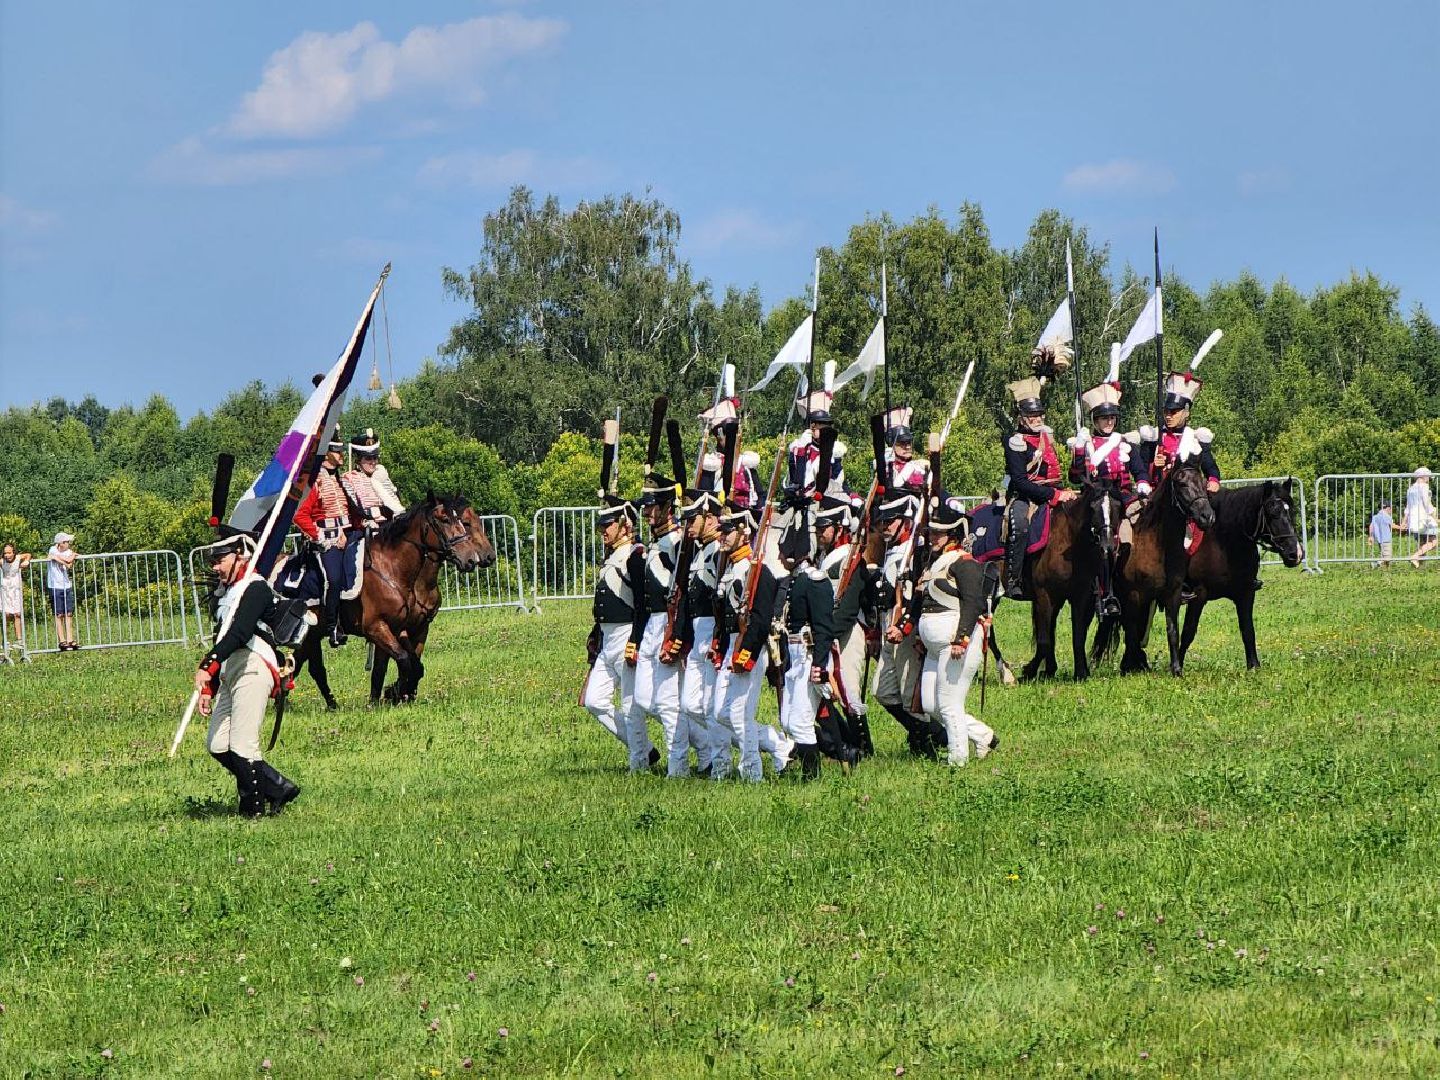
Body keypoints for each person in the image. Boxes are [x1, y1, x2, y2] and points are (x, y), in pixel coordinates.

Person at [194, 527, 301, 817]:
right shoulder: (225, 595)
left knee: (243, 745)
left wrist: (207, 664)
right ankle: (278, 788)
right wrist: (210, 687)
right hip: (231, 669)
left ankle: (252, 811)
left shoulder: (256, 588)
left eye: (220, 560)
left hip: (254, 666)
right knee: (217, 744)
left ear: (240, 556)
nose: (215, 567)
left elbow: (240, 632)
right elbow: (223, 639)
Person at [912, 500, 1000, 766]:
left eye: (940, 533)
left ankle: (957, 761)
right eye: (932, 532)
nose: (933, 537)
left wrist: (961, 639)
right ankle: (983, 735)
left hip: (955, 643)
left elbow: (973, 603)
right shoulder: (937, 562)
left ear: (954, 535)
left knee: (949, 705)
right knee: (930, 704)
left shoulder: (965, 563)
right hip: (933, 646)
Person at [710, 502, 791, 781]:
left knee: (740, 714)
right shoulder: (733, 569)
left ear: (744, 533)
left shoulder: (757, 572)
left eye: (728, 531)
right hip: (733, 644)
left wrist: (747, 653)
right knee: (719, 712)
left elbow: (761, 617)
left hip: (749, 648)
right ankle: (775, 742)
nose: (722, 535)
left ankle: (751, 773)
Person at [774, 507, 856, 779]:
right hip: (796, 654)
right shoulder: (795, 580)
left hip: (810, 655)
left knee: (799, 721)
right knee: (787, 719)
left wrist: (820, 665)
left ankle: (812, 775)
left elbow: (824, 628)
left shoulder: (814, 581)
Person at [581, 495, 654, 768]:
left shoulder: (634, 557)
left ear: (625, 525)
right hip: (607, 637)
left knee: (632, 704)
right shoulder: (612, 556)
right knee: (595, 701)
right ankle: (645, 748)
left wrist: (635, 639)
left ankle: (639, 762)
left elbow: (641, 605)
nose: (603, 530)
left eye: (608, 524)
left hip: (626, 634)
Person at [872, 492, 947, 756]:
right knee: (882, 692)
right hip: (887, 629)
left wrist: (904, 626)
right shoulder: (891, 552)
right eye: (882, 522)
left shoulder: (914, 552)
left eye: (890, 521)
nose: (884, 527)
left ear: (906, 522)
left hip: (904, 631)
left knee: (909, 695)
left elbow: (913, 596)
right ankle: (933, 735)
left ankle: (928, 744)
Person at [625, 473, 690, 777]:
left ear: (667, 508)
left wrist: (676, 633)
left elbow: (682, 591)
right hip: (652, 622)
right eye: (646, 508)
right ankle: (702, 746)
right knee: (643, 700)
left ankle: (678, 768)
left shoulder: (676, 543)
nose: (647, 512)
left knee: (667, 704)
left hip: (668, 622)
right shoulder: (656, 543)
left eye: (652, 507)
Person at [1068, 375, 1145, 616]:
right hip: (1095, 500)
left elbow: (1139, 470)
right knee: (1104, 541)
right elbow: (1074, 476)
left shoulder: (1125, 444)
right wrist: (1079, 452)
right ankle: (1105, 590)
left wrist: (1142, 482)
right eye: (1104, 417)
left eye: (1112, 417)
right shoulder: (1086, 443)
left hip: (1122, 498)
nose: (1109, 422)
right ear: (1095, 419)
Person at [1002, 378, 1076, 600]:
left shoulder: (1047, 437)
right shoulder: (1015, 441)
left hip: (1055, 490)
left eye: (1039, 415)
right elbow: (1022, 482)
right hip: (1025, 495)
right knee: (1021, 525)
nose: (1037, 419)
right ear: (1021, 418)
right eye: (1031, 415)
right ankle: (1014, 578)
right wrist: (1054, 495)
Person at [675, 479, 729, 776]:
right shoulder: (700, 551)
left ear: (710, 518)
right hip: (698, 632)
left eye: (691, 519)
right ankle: (754, 742)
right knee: (691, 704)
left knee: (709, 706)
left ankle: (720, 766)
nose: (687, 526)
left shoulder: (717, 552)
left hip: (711, 630)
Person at [816, 494, 874, 756]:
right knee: (828, 689)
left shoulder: (850, 561)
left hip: (847, 632)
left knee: (848, 689)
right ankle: (845, 744)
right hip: (829, 632)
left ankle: (862, 747)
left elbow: (849, 608)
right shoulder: (825, 558)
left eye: (824, 527)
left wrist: (827, 635)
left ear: (839, 528)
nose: (819, 532)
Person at [293, 433, 353, 646]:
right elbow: (300, 516)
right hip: (324, 541)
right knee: (333, 580)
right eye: (337, 450)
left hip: (345, 536)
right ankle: (332, 626)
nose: (342, 454)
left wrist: (346, 532)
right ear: (327, 453)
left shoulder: (338, 479)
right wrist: (321, 538)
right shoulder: (315, 481)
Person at [341, 429, 405, 527]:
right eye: (368, 458)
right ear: (358, 460)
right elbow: (354, 510)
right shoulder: (349, 478)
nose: (373, 462)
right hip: (364, 529)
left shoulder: (382, 476)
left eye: (375, 457)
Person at [46, 532, 79, 651]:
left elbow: (69, 561)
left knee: (69, 613)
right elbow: (67, 560)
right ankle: (62, 640)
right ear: (60, 543)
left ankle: (70, 639)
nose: (68, 544)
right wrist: (67, 560)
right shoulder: (52, 549)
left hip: (66, 585)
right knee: (59, 614)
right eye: (66, 542)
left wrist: (63, 559)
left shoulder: (69, 551)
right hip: (55, 585)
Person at [2, 543, 32, 657]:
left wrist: (27, 561)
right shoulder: (2, 562)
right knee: (7, 614)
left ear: (13, 552)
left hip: (16, 589)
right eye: (5, 553)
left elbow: (28, 554)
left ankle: (19, 640)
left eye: (9, 552)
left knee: (17, 614)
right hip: (5, 590)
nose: (7, 555)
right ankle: (6, 640)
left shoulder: (18, 558)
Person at [1405, 466, 1437, 567]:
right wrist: (1434, 516)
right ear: (1424, 476)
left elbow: (1408, 507)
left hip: (1414, 519)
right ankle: (1415, 556)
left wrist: (1404, 520)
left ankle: (1420, 566)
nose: (1429, 478)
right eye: (1428, 476)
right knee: (1433, 542)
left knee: (1422, 542)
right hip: (1424, 518)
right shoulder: (1424, 486)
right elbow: (1426, 503)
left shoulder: (1410, 489)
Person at [1369, 500, 1394, 569]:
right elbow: (1392, 525)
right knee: (1388, 557)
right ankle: (1376, 564)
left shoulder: (1375, 516)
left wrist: (1371, 536)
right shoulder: (1386, 516)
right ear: (1388, 508)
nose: (1391, 510)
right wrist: (1401, 527)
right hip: (1386, 539)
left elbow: (1371, 526)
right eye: (1391, 508)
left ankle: (1386, 570)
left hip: (1380, 539)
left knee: (1383, 555)